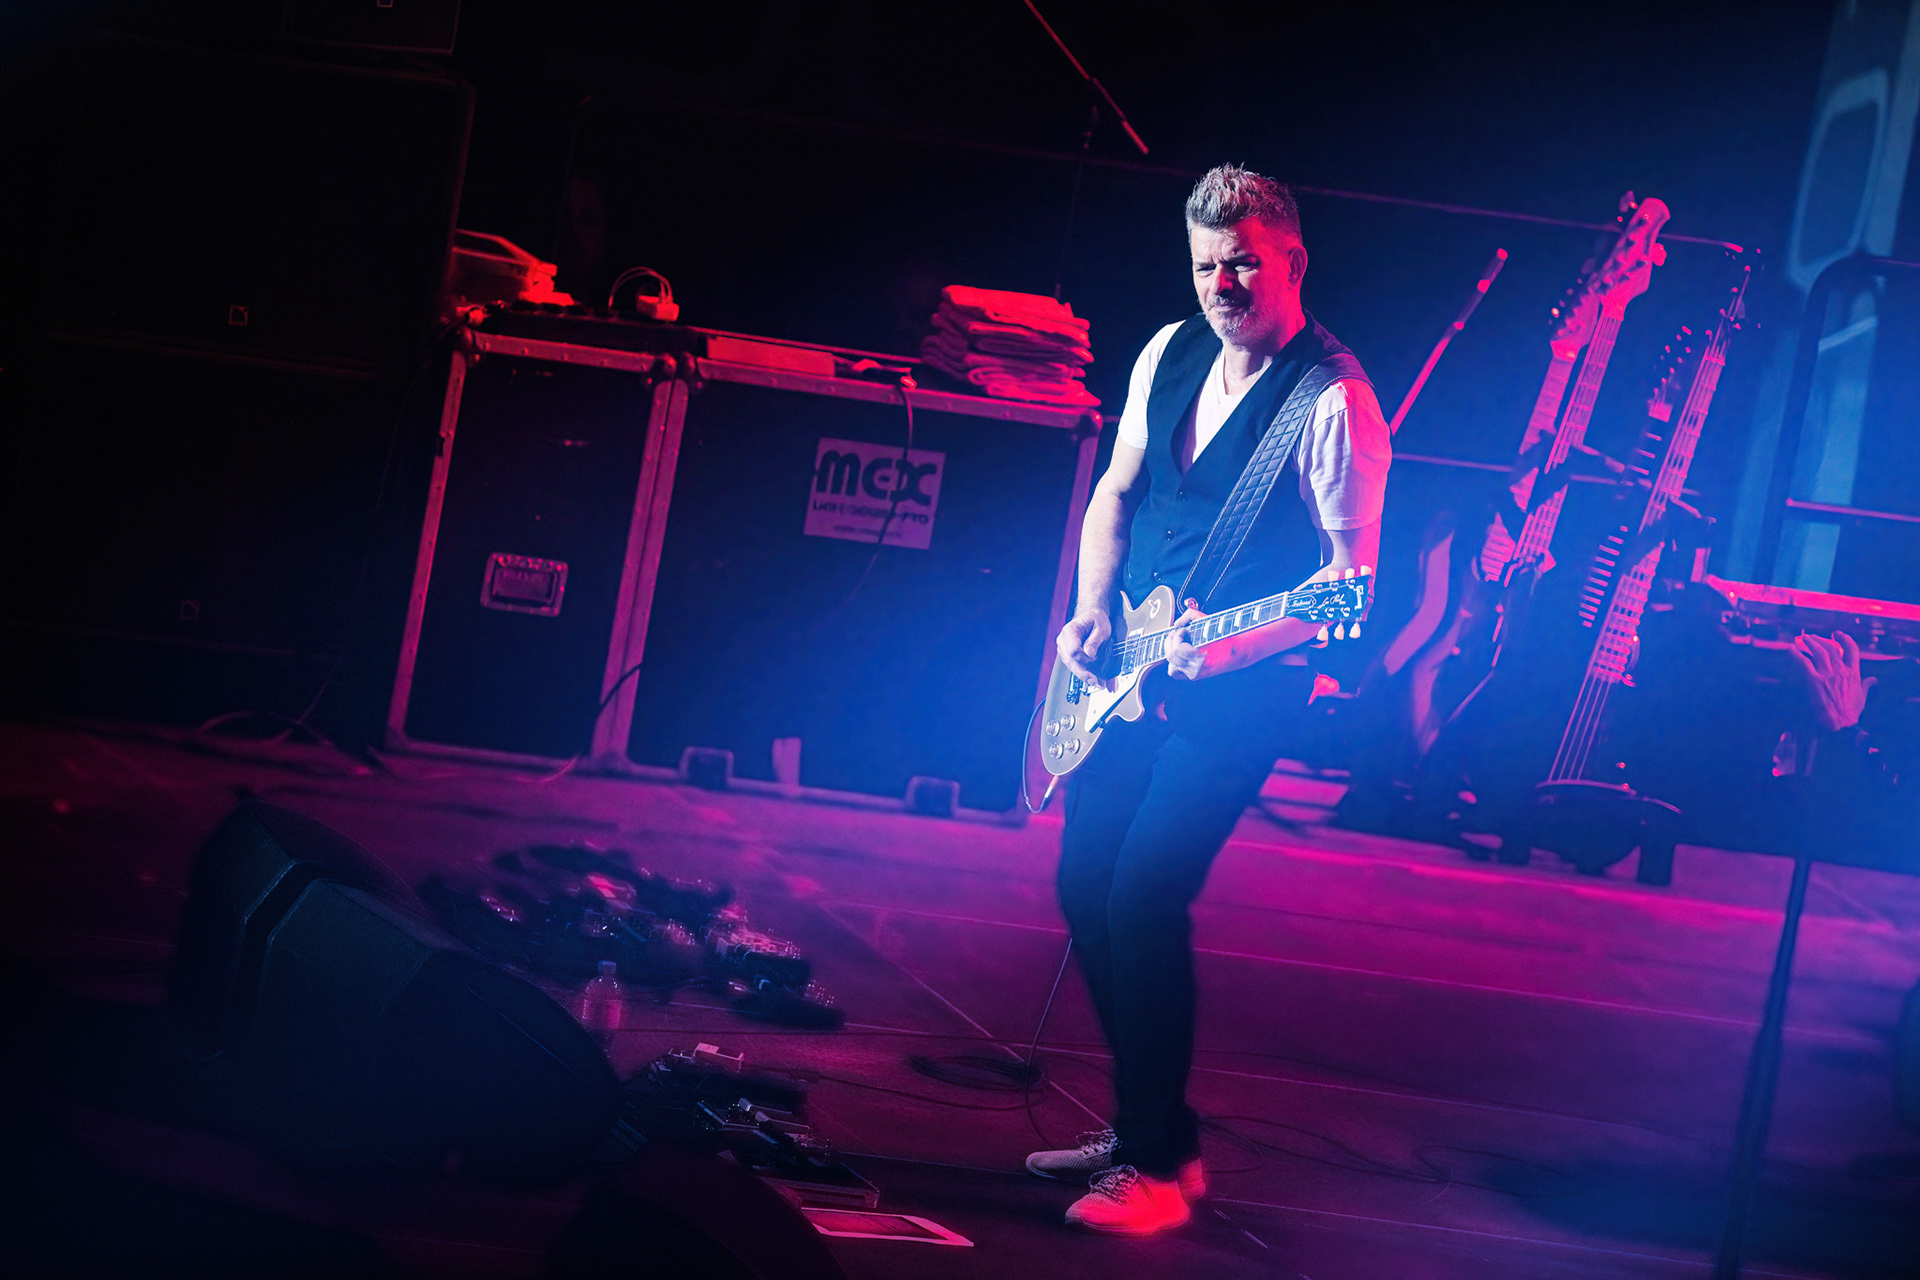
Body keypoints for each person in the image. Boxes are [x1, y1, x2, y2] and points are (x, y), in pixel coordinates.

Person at [1026, 165, 1391, 1235]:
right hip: (1131, 666)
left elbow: (1349, 587)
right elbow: (1116, 492)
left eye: (1242, 264)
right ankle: (1159, 1135)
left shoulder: (1333, 402)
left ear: (1293, 262)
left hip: (1242, 695)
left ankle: (1151, 1171)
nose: (1222, 285)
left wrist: (1229, 655)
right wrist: (1093, 608)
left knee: (1143, 896)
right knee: (1085, 884)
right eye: (1204, 266)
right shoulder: (1168, 350)